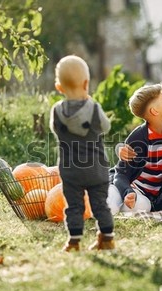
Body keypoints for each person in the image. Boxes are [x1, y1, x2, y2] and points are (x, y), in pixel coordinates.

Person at [50, 55, 115, 251]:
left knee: (74, 207)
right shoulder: (94, 109)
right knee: (100, 205)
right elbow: (106, 127)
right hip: (96, 170)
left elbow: (56, 130)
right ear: (86, 83)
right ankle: (107, 239)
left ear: (59, 88)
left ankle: (74, 242)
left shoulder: (57, 111)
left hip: (71, 171)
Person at [108, 84, 162, 215]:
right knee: (110, 205)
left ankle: (119, 203)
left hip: (146, 196)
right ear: (155, 111)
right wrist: (127, 191)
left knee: (142, 207)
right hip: (127, 186)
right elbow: (121, 173)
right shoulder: (139, 138)